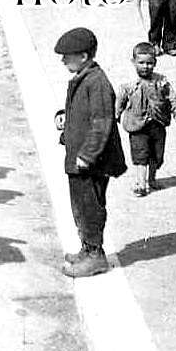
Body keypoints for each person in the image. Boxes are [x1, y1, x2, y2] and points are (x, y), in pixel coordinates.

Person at [53, 27, 126, 278]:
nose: (63, 60)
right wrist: (65, 122)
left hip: (91, 162)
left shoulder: (97, 82)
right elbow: (81, 114)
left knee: (90, 207)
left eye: (67, 56)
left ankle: (95, 256)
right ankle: (87, 248)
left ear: (83, 56)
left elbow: (102, 123)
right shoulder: (83, 77)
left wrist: (87, 155)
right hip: (81, 159)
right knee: (81, 205)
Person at [116, 42, 176, 196]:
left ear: (155, 63)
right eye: (141, 63)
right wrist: (117, 115)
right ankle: (140, 183)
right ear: (133, 62)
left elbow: (171, 97)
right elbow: (120, 100)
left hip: (158, 124)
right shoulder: (129, 84)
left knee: (156, 154)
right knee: (141, 155)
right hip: (137, 125)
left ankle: (152, 179)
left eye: (149, 63)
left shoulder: (161, 81)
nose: (145, 66)